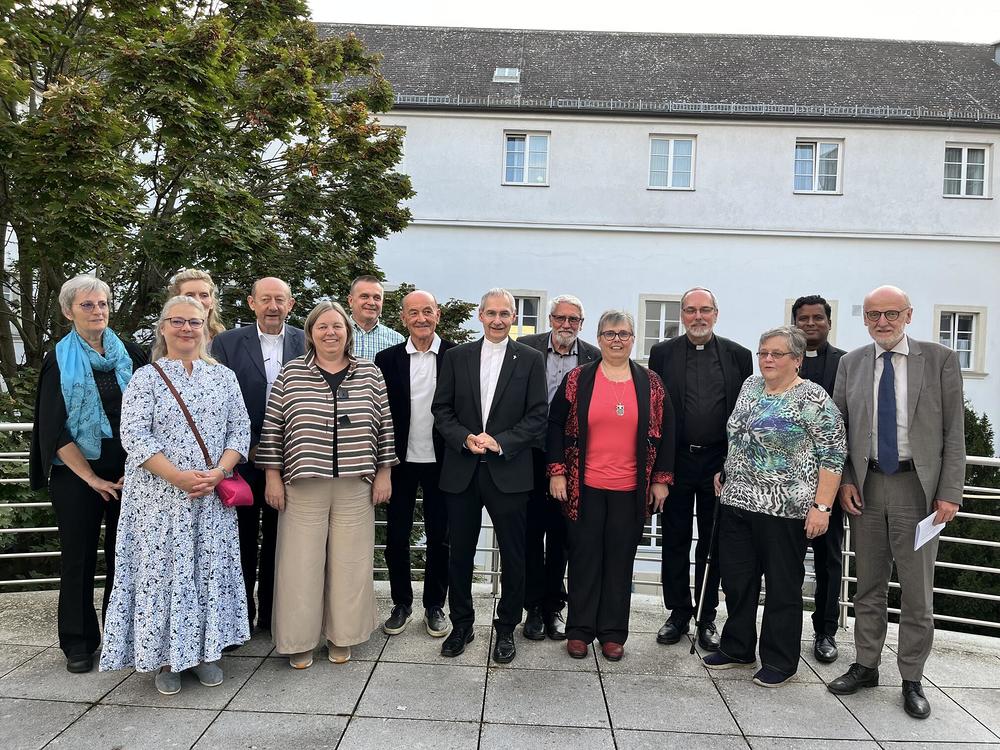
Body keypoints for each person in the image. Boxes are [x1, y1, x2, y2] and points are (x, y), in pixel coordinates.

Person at [99, 296, 251, 695]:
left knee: (208, 570)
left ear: (206, 327)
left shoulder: (224, 377)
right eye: (178, 321)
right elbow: (135, 436)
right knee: (164, 573)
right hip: (160, 500)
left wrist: (219, 472)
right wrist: (178, 477)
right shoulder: (146, 378)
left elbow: (240, 430)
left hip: (211, 498)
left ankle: (206, 652)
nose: (186, 329)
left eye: (194, 322)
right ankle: (166, 657)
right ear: (163, 327)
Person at [828, 285, 965, 719]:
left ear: (909, 314)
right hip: (866, 487)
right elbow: (838, 431)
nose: (882, 322)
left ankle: (911, 678)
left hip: (917, 490)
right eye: (873, 315)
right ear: (865, 319)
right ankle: (866, 665)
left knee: (917, 592)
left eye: (891, 313)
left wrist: (950, 492)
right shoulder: (851, 363)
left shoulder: (940, 359)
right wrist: (846, 480)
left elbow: (954, 432)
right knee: (868, 585)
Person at [256, 300, 396, 669]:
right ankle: (298, 640)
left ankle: (342, 636)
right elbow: (272, 428)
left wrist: (384, 472)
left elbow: (385, 425)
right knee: (299, 566)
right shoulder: (291, 374)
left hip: (355, 484)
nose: (330, 332)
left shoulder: (370, 373)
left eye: (337, 326)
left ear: (348, 333)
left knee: (351, 565)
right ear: (311, 333)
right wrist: (272, 476)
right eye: (322, 327)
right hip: (303, 483)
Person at [704, 326, 846, 687]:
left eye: (776, 354)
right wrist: (727, 469)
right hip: (737, 502)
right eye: (763, 352)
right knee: (737, 581)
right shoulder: (750, 386)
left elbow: (833, 454)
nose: (767, 359)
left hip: (786, 509)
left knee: (782, 588)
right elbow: (739, 436)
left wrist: (823, 507)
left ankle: (780, 661)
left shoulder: (813, 398)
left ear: (796, 360)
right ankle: (737, 647)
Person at [29, 275, 148, 674]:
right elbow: (54, 429)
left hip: (131, 471)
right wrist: (92, 479)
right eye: (87, 305)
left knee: (124, 557)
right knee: (77, 558)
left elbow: (152, 415)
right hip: (75, 473)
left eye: (102, 303)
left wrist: (136, 468)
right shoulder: (57, 360)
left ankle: (120, 636)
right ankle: (78, 642)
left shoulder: (131, 352)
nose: (97, 311)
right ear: (68, 312)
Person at [548, 310, 674, 661]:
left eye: (623, 334)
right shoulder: (578, 378)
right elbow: (555, 424)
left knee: (619, 561)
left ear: (633, 338)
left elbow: (668, 432)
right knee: (584, 558)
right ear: (599, 338)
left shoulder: (651, 383)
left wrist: (661, 480)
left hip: (631, 490)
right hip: (584, 487)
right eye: (609, 334)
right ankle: (579, 630)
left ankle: (612, 633)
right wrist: (557, 471)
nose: (616, 340)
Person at [431, 288, 547, 664]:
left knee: (514, 555)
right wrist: (464, 438)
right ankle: (462, 625)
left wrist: (501, 442)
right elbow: (442, 409)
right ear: (480, 316)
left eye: (505, 314)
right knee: (459, 555)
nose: (498, 320)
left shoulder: (530, 359)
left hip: (509, 471)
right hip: (462, 471)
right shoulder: (456, 356)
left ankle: (506, 628)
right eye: (491, 313)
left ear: (514, 318)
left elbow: (537, 415)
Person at [647, 287, 752, 651]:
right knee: (674, 539)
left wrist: (730, 464)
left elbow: (743, 415)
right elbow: (656, 413)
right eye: (690, 310)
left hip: (718, 465)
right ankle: (678, 613)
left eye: (704, 310)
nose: (698, 317)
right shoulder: (662, 354)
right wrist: (659, 472)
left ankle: (706, 617)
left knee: (713, 542)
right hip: (676, 461)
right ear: (682, 315)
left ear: (716, 314)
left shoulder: (739, 355)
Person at [212, 277, 303, 634]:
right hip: (242, 461)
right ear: (252, 303)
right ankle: (240, 617)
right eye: (265, 299)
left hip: (292, 460)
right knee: (241, 540)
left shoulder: (306, 341)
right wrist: (246, 445)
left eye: (280, 300)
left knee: (283, 542)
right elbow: (219, 402)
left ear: (290, 304)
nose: (273, 307)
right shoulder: (227, 343)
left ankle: (272, 615)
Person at [517, 294, 600, 640]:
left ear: (581, 324)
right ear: (550, 319)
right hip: (530, 456)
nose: (566, 325)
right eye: (560, 318)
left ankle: (554, 607)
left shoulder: (594, 356)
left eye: (573, 319)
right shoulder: (526, 349)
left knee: (562, 538)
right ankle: (533, 608)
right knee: (530, 535)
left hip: (573, 461)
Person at [375, 291, 456, 638]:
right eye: (413, 312)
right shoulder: (387, 359)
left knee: (441, 538)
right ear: (403, 318)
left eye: (427, 311)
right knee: (396, 537)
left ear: (437, 314)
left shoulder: (456, 356)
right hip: (399, 461)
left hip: (443, 461)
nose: (421, 318)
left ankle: (435, 605)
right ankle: (401, 604)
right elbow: (378, 414)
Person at [792, 294, 847, 663]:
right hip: (787, 483)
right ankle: (786, 628)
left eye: (817, 318)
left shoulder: (846, 363)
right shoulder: (783, 360)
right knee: (788, 560)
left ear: (829, 322)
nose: (811, 324)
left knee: (828, 560)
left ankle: (825, 631)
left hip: (830, 481)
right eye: (804, 318)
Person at [347, 275, 404, 359]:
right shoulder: (334, 335)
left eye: (377, 298)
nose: (371, 303)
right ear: (351, 301)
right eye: (364, 296)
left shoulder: (397, 340)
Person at [167, 268, 226, 344]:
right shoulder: (165, 342)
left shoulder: (226, 342)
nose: (198, 301)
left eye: (204, 295)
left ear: (211, 302)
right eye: (189, 295)